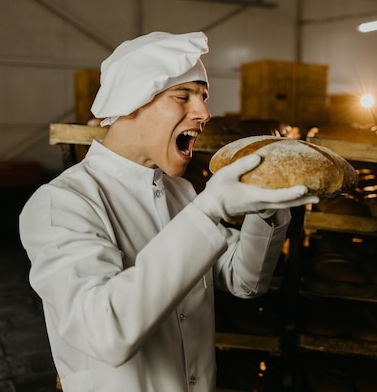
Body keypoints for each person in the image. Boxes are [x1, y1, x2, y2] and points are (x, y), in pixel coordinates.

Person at [19, 31, 318, 392]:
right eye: (183, 96)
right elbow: (104, 333)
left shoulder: (181, 191)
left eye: (204, 97)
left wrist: (266, 210)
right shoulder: (62, 202)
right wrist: (207, 211)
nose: (205, 112)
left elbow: (245, 281)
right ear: (132, 101)